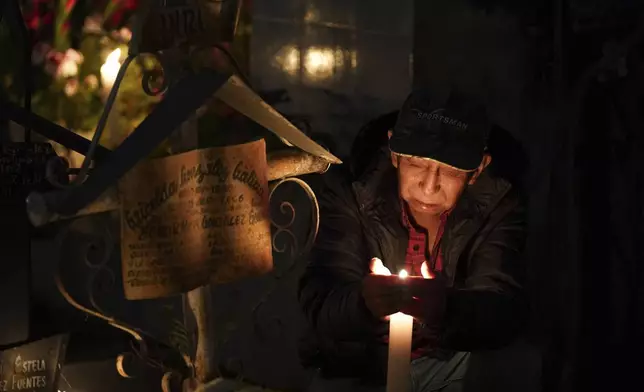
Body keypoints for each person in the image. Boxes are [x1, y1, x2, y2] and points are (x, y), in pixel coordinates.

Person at [298, 88, 529, 391]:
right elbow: (320, 301)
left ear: (477, 170)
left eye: (449, 171)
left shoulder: (498, 204)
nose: (429, 186)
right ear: (394, 153)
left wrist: (446, 310)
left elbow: (502, 311)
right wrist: (363, 304)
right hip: (358, 364)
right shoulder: (353, 193)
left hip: (447, 363)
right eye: (417, 164)